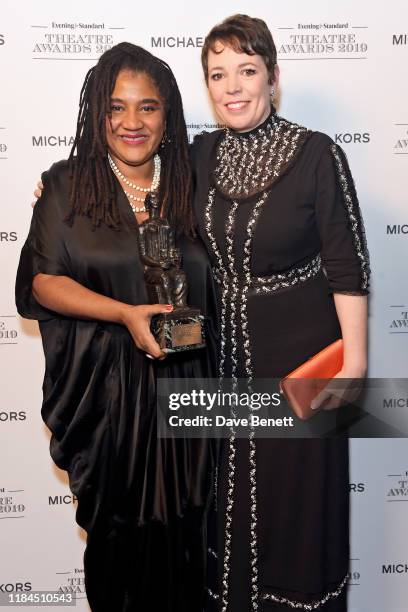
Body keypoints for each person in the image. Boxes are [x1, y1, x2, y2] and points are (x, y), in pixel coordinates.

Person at [16, 42, 217, 612]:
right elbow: (43, 283)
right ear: (97, 113)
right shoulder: (66, 186)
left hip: (191, 395)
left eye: (147, 108)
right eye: (117, 108)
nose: (132, 123)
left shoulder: (194, 184)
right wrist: (124, 314)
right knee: (117, 545)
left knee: (189, 542)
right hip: (107, 400)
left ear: (167, 115)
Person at [191, 14, 370, 612]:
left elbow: (348, 267)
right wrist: (57, 186)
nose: (232, 86)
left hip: (306, 367)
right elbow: (131, 184)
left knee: (298, 518)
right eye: (218, 74)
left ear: (273, 77)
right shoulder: (199, 154)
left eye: (247, 70)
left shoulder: (319, 154)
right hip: (223, 364)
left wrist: (355, 365)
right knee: (227, 509)